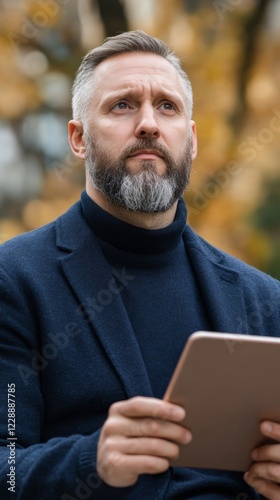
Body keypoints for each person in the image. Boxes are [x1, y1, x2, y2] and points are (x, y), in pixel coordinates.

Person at [0, 30, 280, 500]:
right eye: (122, 105)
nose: (148, 123)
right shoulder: (15, 278)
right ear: (78, 138)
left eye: (167, 106)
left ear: (190, 142)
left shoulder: (264, 299)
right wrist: (90, 461)